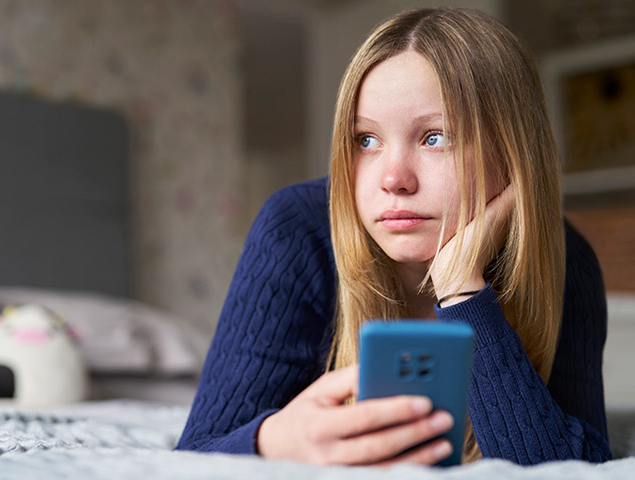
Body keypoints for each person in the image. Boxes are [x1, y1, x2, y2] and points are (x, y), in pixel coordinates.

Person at [176, 7, 610, 466]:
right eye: (366, 140)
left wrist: (463, 290)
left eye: (435, 137)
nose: (393, 179)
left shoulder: (567, 260)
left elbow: (572, 468)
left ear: (512, 151)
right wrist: (272, 441)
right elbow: (194, 456)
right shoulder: (295, 232)